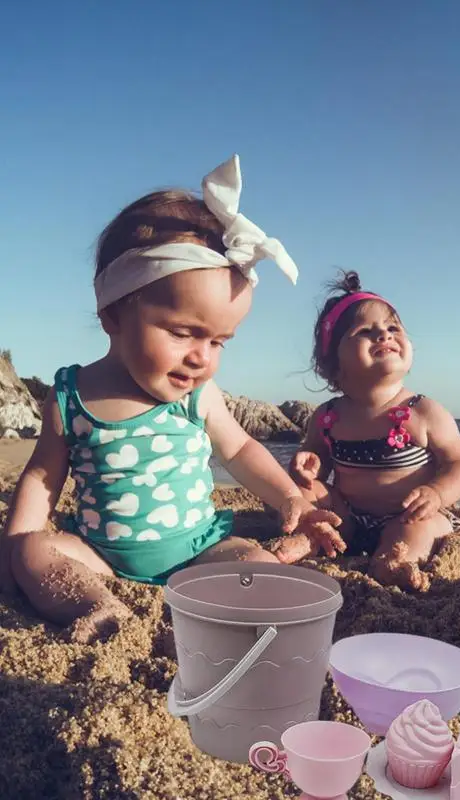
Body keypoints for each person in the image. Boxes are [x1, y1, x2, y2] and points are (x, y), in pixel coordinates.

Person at [0, 155, 344, 643]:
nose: (201, 357)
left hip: (199, 553)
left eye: (219, 341)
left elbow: (241, 451)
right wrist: (15, 544)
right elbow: (41, 476)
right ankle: (100, 605)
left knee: (256, 563)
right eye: (184, 333)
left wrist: (290, 497)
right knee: (34, 553)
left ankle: (219, 606)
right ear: (114, 315)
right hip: (99, 559)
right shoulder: (70, 397)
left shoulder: (197, 395)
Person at [275, 271, 460, 590]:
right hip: (350, 518)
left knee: (415, 530)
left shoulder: (423, 411)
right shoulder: (327, 416)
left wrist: (437, 494)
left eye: (393, 328)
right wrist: (307, 466)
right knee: (302, 492)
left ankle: (394, 563)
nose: (384, 335)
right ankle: (311, 538)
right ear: (333, 363)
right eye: (366, 331)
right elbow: (317, 464)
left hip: (409, 514)